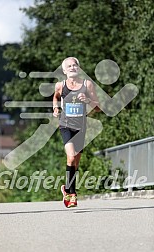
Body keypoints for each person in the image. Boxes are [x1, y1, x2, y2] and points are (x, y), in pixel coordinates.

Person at [53, 57, 100, 208]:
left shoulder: (87, 85)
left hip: (81, 127)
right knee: (71, 156)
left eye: (75, 65)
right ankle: (72, 195)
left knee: (75, 163)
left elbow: (98, 108)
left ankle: (66, 188)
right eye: (69, 66)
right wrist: (55, 108)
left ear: (79, 68)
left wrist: (87, 100)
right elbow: (55, 97)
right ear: (64, 70)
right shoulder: (60, 85)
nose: (73, 67)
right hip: (65, 126)